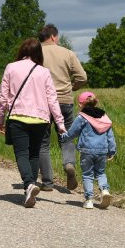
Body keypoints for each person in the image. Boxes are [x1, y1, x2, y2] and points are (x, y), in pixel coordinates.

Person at [0, 38, 66, 208]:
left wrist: (0, 119)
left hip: (18, 117)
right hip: (41, 120)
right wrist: (60, 123)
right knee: (34, 154)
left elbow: (2, 97)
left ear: (22, 51)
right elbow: (52, 99)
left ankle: (28, 185)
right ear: (38, 54)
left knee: (21, 153)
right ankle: (30, 188)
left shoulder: (11, 67)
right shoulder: (44, 72)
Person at [38, 24, 88, 191]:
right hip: (64, 101)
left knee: (43, 142)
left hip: (42, 102)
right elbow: (82, 76)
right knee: (66, 137)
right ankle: (69, 164)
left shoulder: (35, 53)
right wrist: (72, 88)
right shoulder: (68, 53)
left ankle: (47, 182)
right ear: (53, 37)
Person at [60, 92, 116, 209]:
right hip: (102, 151)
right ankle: (105, 190)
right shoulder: (104, 117)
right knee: (100, 173)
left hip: (87, 151)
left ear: (81, 104)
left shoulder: (82, 117)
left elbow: (73, 132)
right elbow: (110, 135)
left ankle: (89, 200)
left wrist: (64, 137)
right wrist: (111, 150)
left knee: (87, 175)